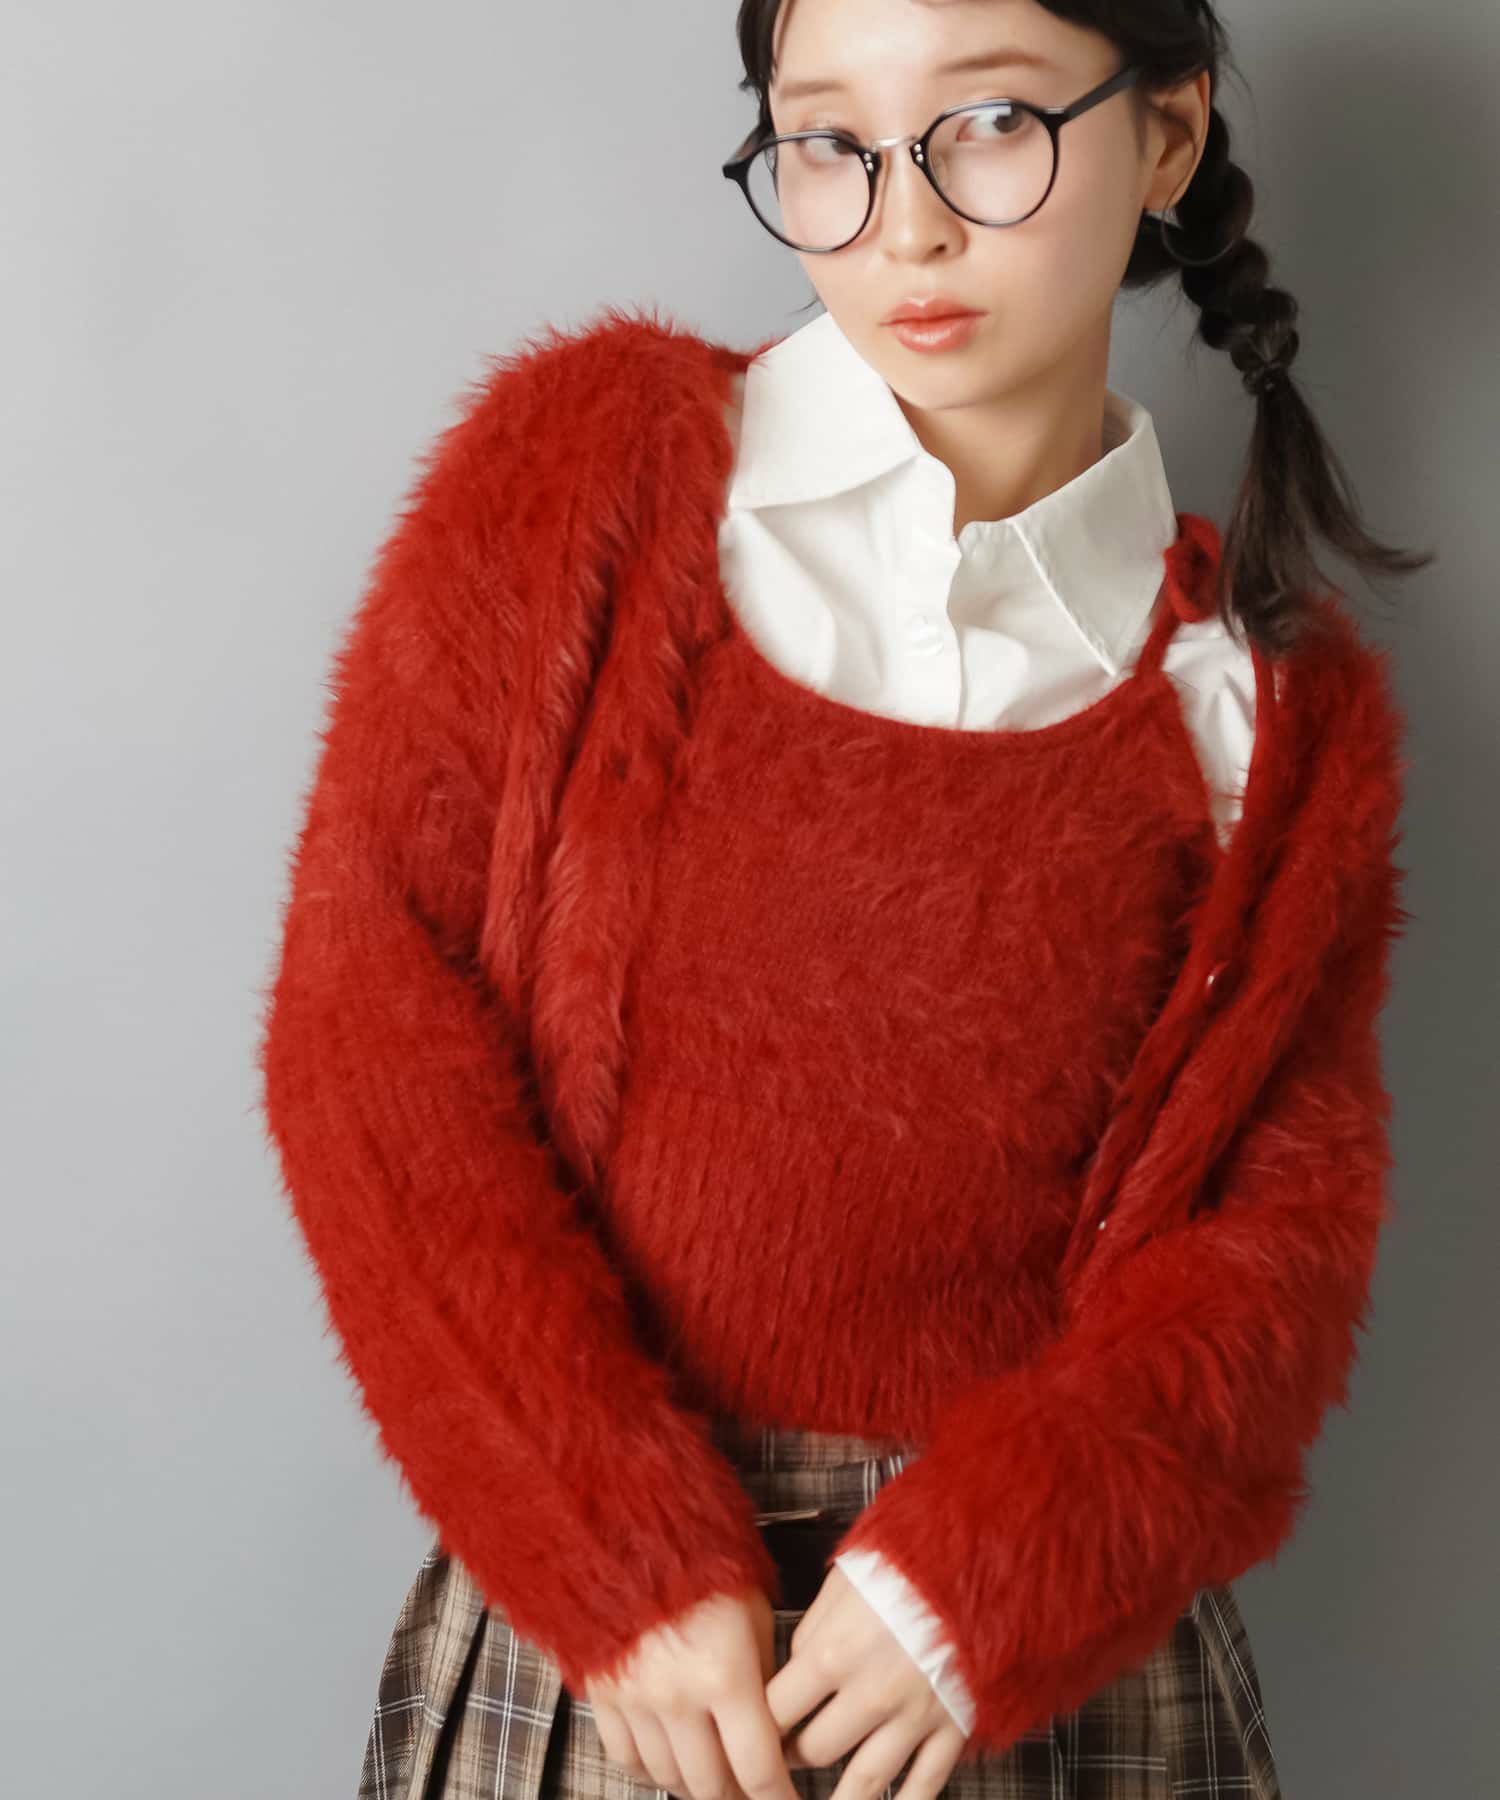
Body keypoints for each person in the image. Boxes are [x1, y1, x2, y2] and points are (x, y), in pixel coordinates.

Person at [256, 1, 1431, 1796]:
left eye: (992, 124)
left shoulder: (1266, 711)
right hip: (621, 1664)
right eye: (828, 142)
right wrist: (608, 1545)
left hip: (1023, 1683)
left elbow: (1273, 1248)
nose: (907, 227)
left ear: (1170, 136)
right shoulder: (593, 488)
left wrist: (999, 1575)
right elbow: (369, 1037)